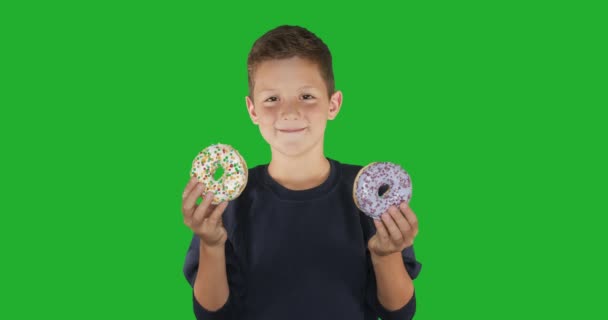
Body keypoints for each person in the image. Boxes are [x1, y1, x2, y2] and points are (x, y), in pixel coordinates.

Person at [181, 25, 422, 320]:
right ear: (252, 110)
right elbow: (212, 315)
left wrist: (386, 255)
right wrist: (211, 244)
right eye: (272, 99)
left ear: (333, 104)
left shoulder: (368, 198)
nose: (290, 112)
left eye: (306, 96)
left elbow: (399, 313)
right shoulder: (229, 202)